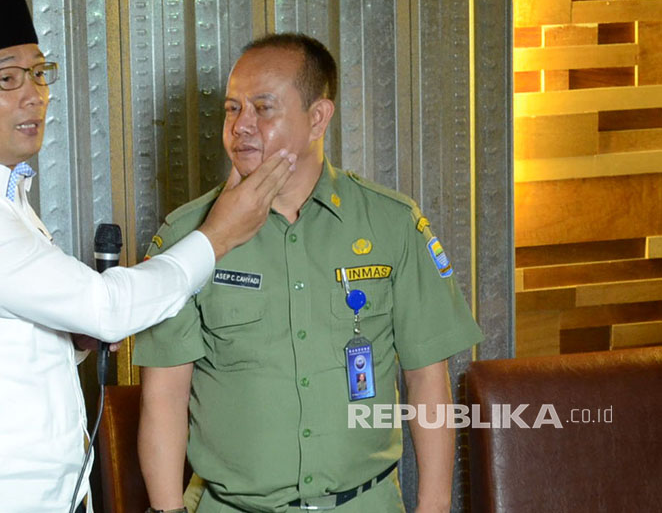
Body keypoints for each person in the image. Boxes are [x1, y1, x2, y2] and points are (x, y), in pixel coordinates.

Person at [0, 0, 296, 513]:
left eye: (39, 74)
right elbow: (106, 309)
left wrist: (74, 335)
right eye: (7, 78)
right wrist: (218, 235)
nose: (35, 96)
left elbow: (19, 334)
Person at [134, 33, 483, 513]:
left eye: (264, 108)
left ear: (317, 118)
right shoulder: (187, 239)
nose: (242, 127)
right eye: (233, 109)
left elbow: (427, 379)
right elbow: (165, 398)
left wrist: (434, 506)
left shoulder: (391, 224)